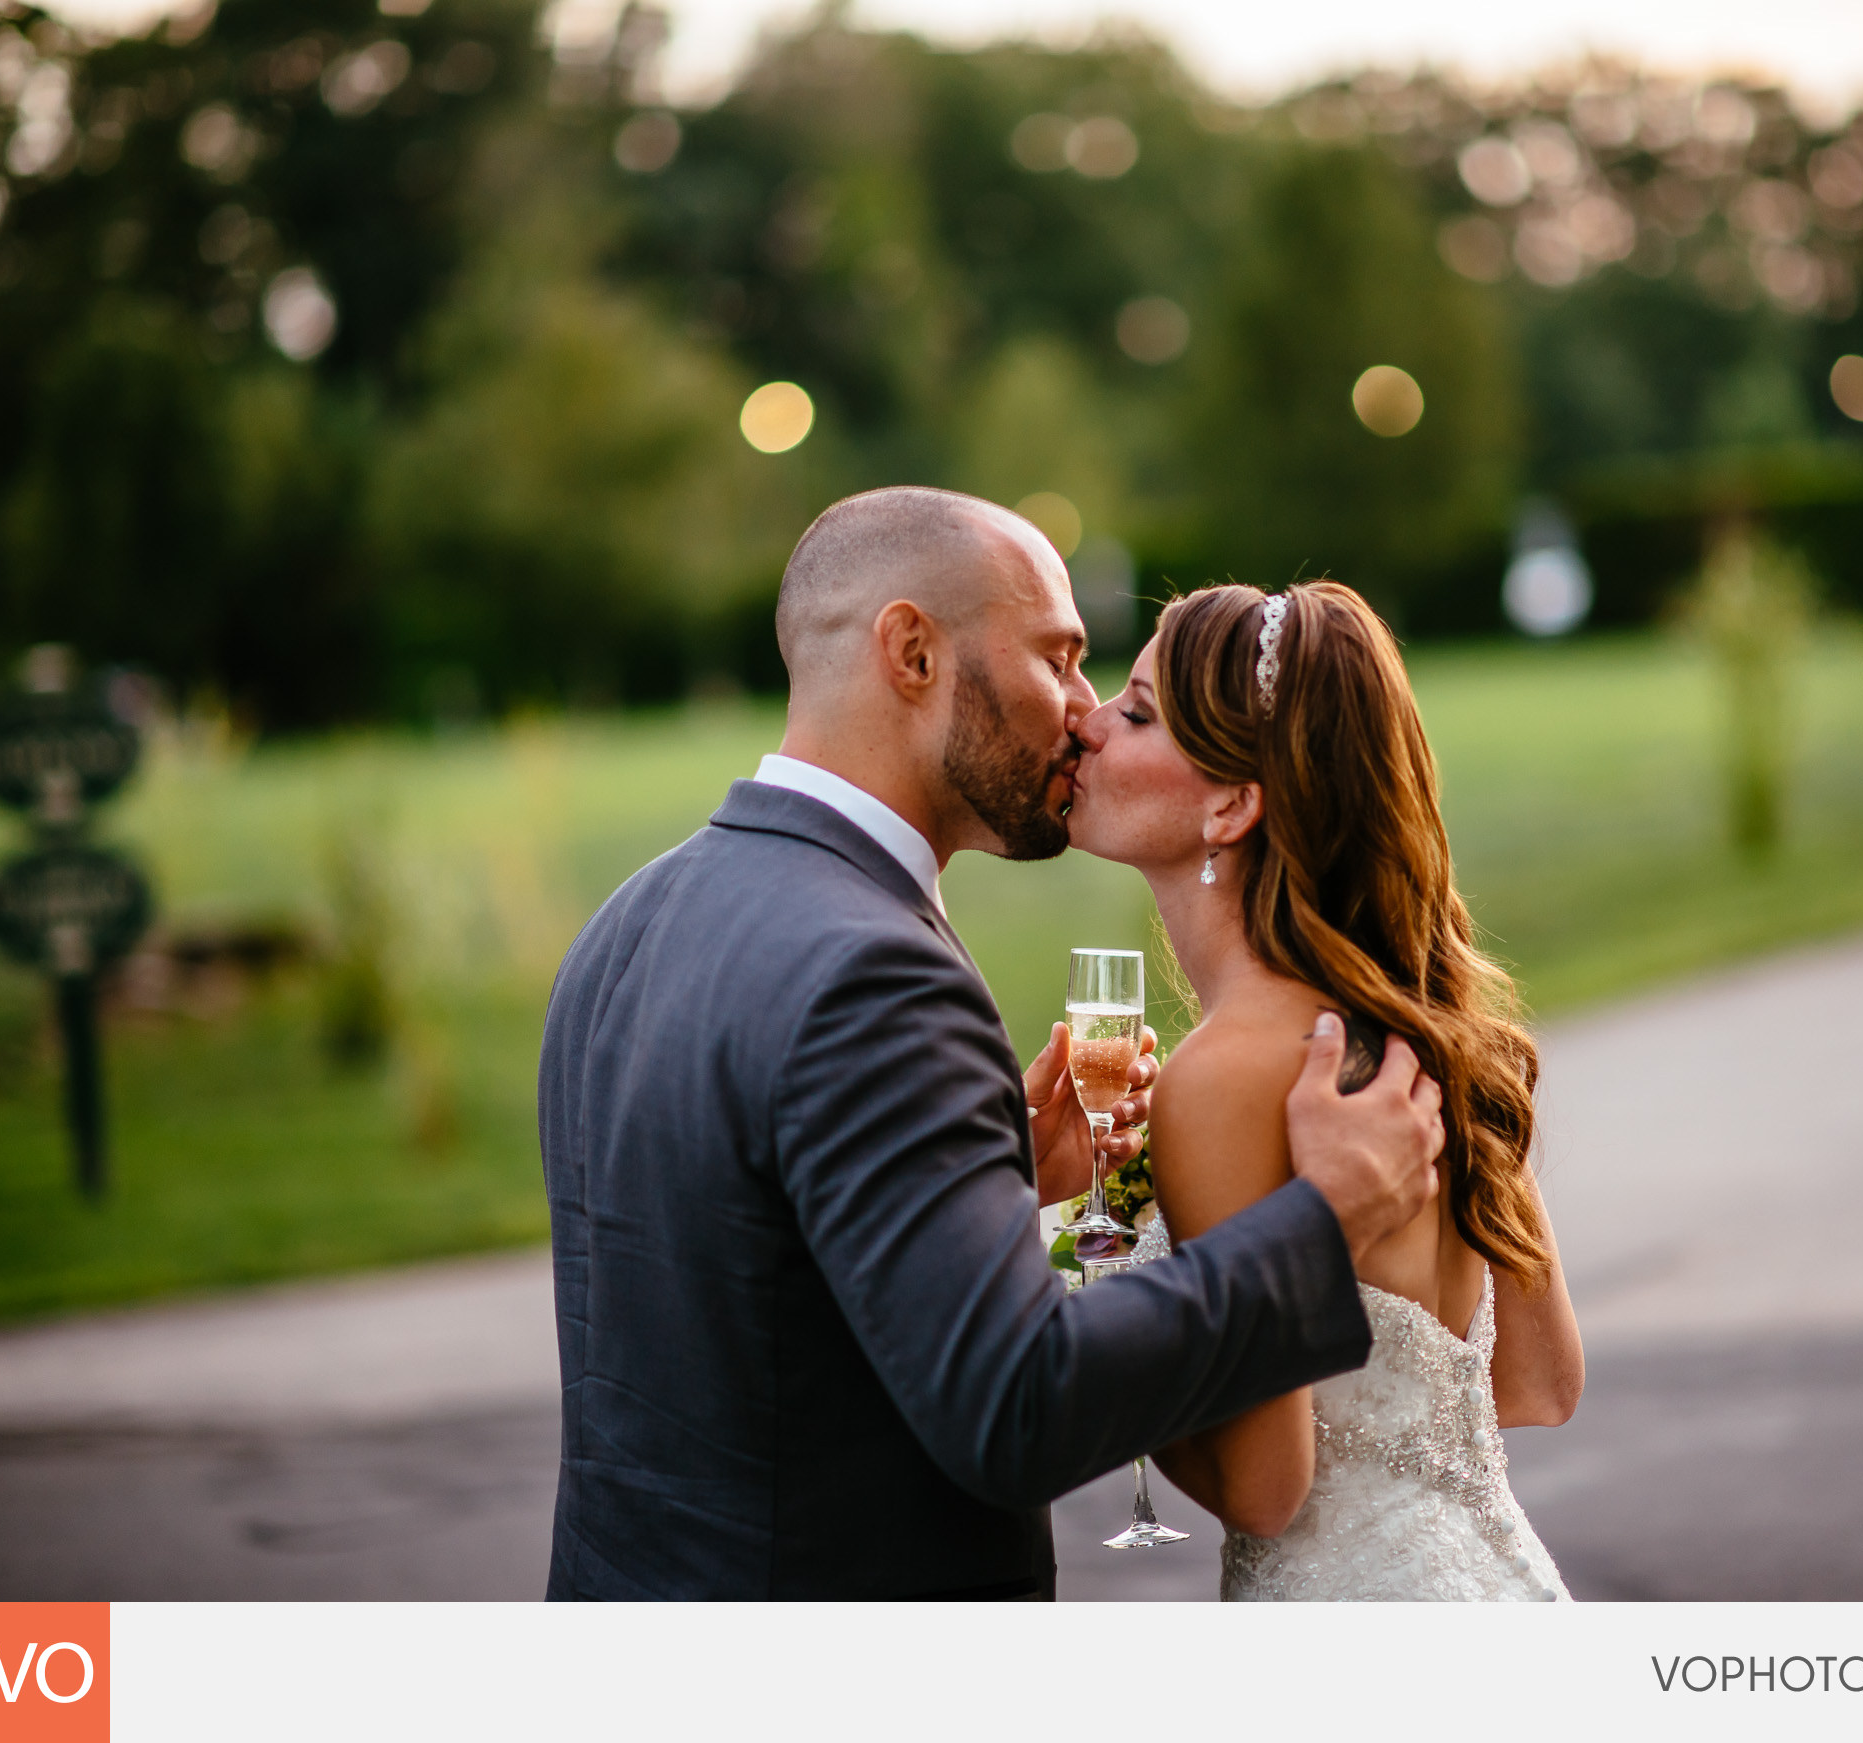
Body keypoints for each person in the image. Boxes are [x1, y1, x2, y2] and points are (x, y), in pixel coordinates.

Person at [537, 488, 1447, 1599]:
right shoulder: (872, 973)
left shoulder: (629, 922)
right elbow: (1017, 1410)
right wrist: (1324, 1220)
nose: (1080, 711)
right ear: (912, 652)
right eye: (1058, 660)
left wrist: (1015, 1198)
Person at [1067, 580, 1585, 1601]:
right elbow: (1538, 1384)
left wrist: (1107, 1283)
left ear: (1231, 802)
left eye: (1133, 713)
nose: (1083, 724)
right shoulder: (1423, 1029)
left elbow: (1265, 1493)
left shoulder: (1226, 1076)